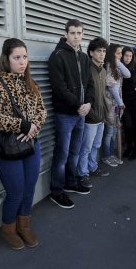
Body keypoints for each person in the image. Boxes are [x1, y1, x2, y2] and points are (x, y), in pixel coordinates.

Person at [0, 38, 47, 250]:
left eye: (25, 57)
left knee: (29, 188)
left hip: (32, 145)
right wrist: (21, 125)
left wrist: (34, 128)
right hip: (9, 149)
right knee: (16, 192)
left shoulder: (31, 83)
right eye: (17, 58)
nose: (22, 62)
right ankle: (8, 229)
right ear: (6, 59)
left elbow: (42, 110)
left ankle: (24, 226)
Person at [48, 19, 94, 209]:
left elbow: (90, 84)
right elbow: (59, 88)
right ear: (66, 33)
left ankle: (71, 182)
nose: (76, 36)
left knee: (74, 152)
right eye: (73, 33)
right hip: (65, 114)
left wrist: (88, 103)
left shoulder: (83, 57)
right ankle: (57, 191)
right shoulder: (57, 56)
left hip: (81, 113)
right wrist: (79, 105)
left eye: (79, 33)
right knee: (62, 154)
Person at [76, 37, 110, 189]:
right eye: (99, 51)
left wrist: (106, 113)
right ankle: (82, 174)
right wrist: (89, 113)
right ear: (91, 52)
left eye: (104, 51)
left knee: (96, 145)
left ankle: (92, 167)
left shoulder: (103, 70)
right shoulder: (86, 69)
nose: (102, 54)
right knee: (86, 148)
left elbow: (103, 94)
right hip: (90, 117)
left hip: (101, 116)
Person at [102, 44, 130, 167]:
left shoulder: (116, 66)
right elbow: (112, 87)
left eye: (120, 53)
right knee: (109, 131)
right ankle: (106, 156)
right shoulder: (108, 66)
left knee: (113, 131)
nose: (120, 56)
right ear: (112, 53)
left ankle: (111, 154)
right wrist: (121, 103)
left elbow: (128, 74)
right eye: (118, 53)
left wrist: (118, 62)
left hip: (116, 103)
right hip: (110, 103)